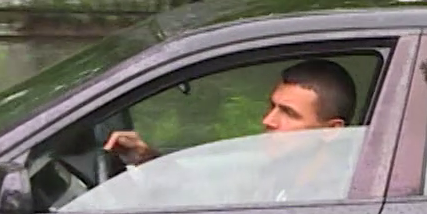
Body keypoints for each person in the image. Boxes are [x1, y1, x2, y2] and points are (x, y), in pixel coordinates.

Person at [100, 59, 359, 205]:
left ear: (331, 130)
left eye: (289, 113)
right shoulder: (280, 171)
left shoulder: (336, 198)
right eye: (272, 107)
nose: (268, 120)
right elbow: (210, 198)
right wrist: (148, 161)